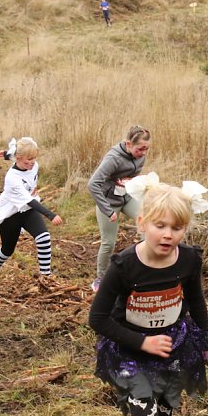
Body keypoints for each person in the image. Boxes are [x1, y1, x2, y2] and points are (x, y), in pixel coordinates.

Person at [86, 178, 208, 416]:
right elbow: (98, 319)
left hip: (172, 344)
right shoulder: (124, 266)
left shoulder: (188, 260)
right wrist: (141, 343)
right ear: (142, 222)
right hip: (128, 348)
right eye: (160, 226)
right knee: (143, 413)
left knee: (164, 413)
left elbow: (197, 301)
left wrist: (207, 344)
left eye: (177, 228)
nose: (168, 235)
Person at [0, 137, 63, 278]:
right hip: (10, 215)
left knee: (43, 238)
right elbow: (30, 201)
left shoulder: (32, 164)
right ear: (18, 159)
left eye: (34, 159)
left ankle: (46, 277)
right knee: (7, 250)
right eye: (27, 161)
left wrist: (7, 154)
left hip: (28, 211)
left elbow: (15, 153)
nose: (31, 163)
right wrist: (51, 215)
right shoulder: (12, 178)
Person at [87, 125, 151, 292]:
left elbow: (132, 177)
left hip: (127, 198)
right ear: (128, 144)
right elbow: (93, 184)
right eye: (140, 149)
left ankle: (144, 270)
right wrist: (107, 210)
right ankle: (100, 279)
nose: (143, 153)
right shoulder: (113, 158)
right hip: (109, 202)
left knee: (148, 224)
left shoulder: (140, 157)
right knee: (108, 243)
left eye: (146, 148)